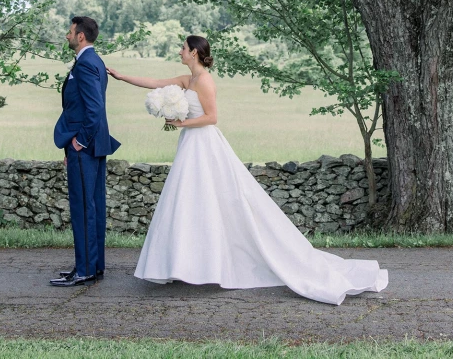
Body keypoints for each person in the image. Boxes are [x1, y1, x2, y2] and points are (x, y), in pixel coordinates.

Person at [108, 35, 388, 305]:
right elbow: (154, 83)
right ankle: (186, 265)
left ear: (194, 52)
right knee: (187, 202)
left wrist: (180, 123)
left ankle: (215, 264)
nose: (179, 51)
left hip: (204, 145)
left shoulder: (204, 80)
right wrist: (122, 77)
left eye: (182, 48)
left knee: (217, 200)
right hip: (189, 145)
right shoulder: (187, 79)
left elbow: (211, 117)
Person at [51, 16, 120, 287]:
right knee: (93, 206)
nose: (66, 36)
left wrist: (79, 141)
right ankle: (92, 266)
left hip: (86, 145)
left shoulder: (88, 63)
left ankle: (85, 270)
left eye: (69, 32)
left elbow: (94, 108)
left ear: (81, 36)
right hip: (90, 144)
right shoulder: (95, 61)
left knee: (83, 207)